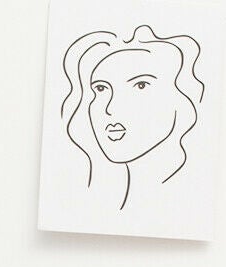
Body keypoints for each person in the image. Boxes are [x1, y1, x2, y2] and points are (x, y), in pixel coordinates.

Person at [60, 24, 204, 212]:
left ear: (179, 96)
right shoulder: (93, 206)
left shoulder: (190, 205)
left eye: (141, 85)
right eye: (101, 88)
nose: (110, 108)